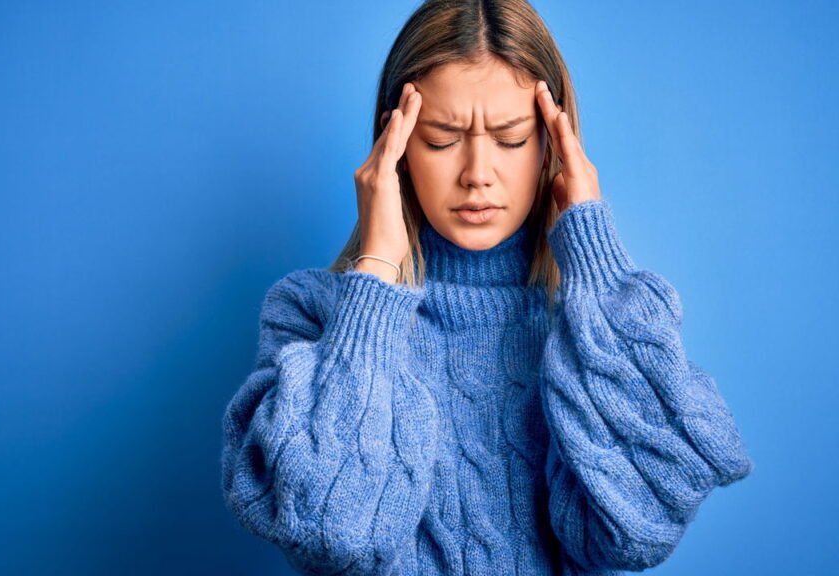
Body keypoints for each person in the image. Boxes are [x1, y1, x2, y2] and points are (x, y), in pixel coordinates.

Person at [220, 1, 754, 574]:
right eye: (443, 139)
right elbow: (330, 534)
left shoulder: (589, 323)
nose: (477, 172)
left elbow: (639, 531)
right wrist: (374, 280)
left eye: (511, 138)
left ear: (554, 143)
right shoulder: (312, 314)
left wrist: (594, 260)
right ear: (394, 148)